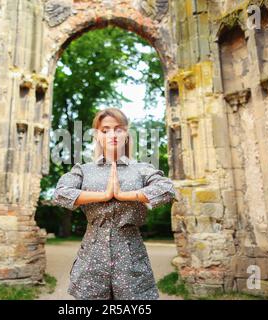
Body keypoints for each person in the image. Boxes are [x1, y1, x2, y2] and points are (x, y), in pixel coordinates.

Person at [52, 107, 181, 300]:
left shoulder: (142, 169)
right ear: (97, 135)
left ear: (126, 134)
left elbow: (168, 190)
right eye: (105, 130)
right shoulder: (84, 170)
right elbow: (60, 194)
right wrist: (103, 195)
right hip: (92, 256)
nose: (112, 134)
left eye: (118, 129)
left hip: (130, 255)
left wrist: (126, 195)